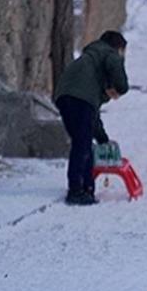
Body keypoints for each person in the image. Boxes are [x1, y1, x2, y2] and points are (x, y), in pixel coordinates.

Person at [53, 30, 129, 206]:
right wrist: (121, 86)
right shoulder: (108, 54)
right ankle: (76, 191)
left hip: (63, 97)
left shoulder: (91, 59)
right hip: (80, 100)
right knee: (82, 144)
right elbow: (115, 64)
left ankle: (87, 187)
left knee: (83, 142)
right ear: (117, 48)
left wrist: (103, 140)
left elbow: (92, 117)